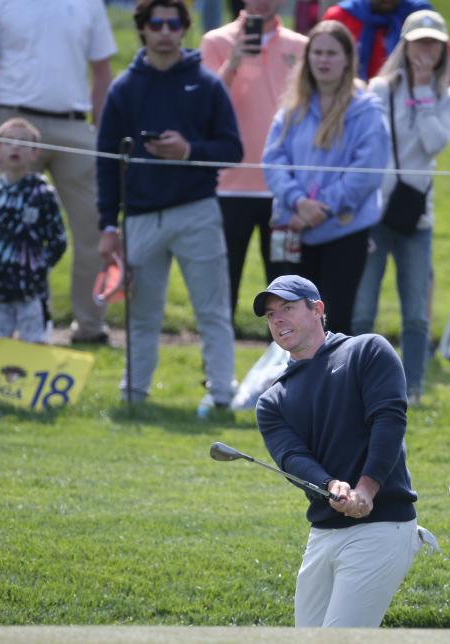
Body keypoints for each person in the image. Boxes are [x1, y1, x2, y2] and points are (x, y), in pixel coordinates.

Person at [96, 0, 242, 411]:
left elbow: (232, 149)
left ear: (183, 28)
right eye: (156, 23)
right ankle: (134, 397)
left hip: (198, 211)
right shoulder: (123, 88)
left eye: (173, 23)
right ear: (142, 29)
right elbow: (106, 163)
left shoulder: (207, 83)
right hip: (140, 217)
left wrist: (187, 150)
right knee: (141, 315)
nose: (165, 31)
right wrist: (108, 225)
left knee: (212, 311)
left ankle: (221, 398)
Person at [253, 274, 422, 627]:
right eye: (270, 315)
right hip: (323, 534)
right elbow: (292, 458)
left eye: (287, 308)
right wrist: (330, 485)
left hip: (383, 525)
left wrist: (366, 488)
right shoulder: (272, 401)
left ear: (318, 309)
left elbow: (388, 421)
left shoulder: (367, 351)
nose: (278, 320)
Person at [0, 0, 116, 345]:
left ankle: (90, 326)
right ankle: (9, 323)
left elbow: (102, 72)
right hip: (14, 124)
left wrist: (101, 134)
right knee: (6, 233)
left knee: (95, 231)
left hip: (75, 125)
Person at [350, 9, 450, 405]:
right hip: (376, 211)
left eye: (433, 42)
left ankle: (412, 388)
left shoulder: (449, 96)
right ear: (406, 44)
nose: (425, 50)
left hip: (417, 216)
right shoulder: (380, 89)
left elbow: (433, 143)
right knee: (363, 307)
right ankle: (357, 381)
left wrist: (425, 91)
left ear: (442, 48)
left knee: (415, 309)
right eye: (419, 41)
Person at [262, 20, 389, 336]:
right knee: (292, 324)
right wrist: (298, 202)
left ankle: (336, 385)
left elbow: (367, 171)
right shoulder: (292, 108)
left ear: (348, 58)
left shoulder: (367, 109)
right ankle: (297, 386)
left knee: (334, 322)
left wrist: (323, 208)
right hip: (295, 230)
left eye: (332, 53)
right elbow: (272, 160)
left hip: (344, 233)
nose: (323, 60)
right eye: (317, 52)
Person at [200, 0, 307, 322]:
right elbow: (203, 108)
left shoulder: (300, 46)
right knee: (222, 286)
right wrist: (232, 64)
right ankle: (216, 373)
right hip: (229, 188)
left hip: (283, 191)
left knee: (288, 294)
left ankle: (292, 369)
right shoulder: (216, 41)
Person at [0, 118, 67, 343]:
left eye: (23, 143)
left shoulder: (42, 194)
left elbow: (58, 241)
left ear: (34, 153)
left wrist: (37, 269)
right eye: (9, 141)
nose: (15, 146)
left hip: (30, 292)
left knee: (33, 346)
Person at [321, 0, 450, 93]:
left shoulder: (419, 17)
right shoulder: (342, 16)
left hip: (407, 112)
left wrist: (422, 86)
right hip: (349, 106)